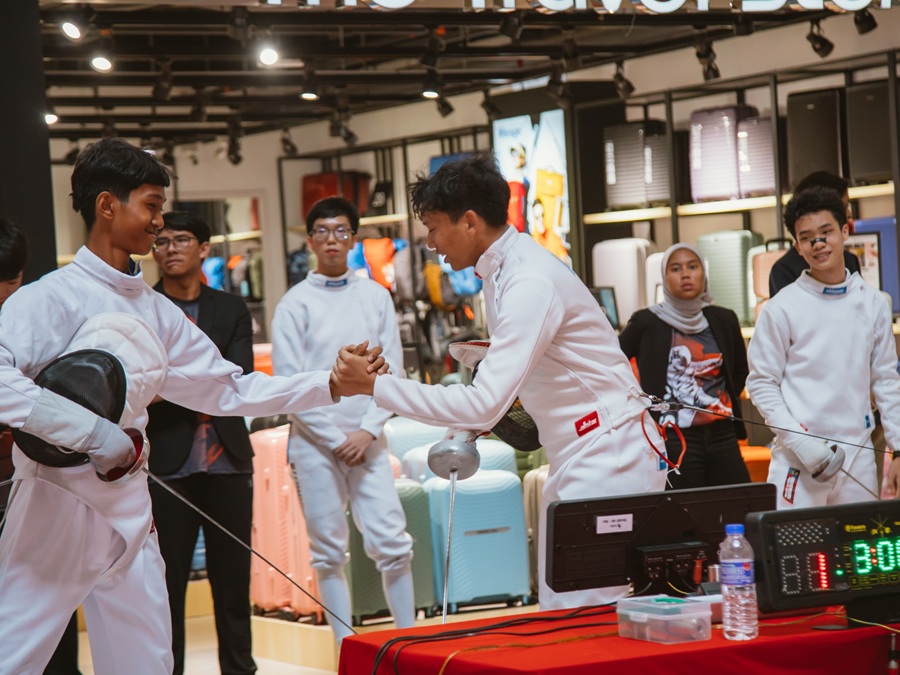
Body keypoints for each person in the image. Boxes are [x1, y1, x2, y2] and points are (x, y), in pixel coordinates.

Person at [0, 137, 384, 674]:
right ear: (108, 205)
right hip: (53, 499)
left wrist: (330, 384)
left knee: (148, 662)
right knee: (11, 654)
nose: (159, 223)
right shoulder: (48, 298)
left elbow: (229, 390)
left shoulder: (156, 312)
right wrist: (95, 434)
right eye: (151, 206)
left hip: (129, 504)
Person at [331, 152, 667, 610]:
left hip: (609, 453)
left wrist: (376, 388)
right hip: (586, 451)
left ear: (469, 222)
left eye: (433, 228)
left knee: (583, 612)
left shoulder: (528, 279)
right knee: (564, 603)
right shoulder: (500, 270)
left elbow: (484, 403)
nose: (430, 243)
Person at [271, 196, 415, 645]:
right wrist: (336, 439)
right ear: (310, 239)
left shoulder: (375, 296)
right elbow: (290, 383)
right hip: (316, 446)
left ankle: (407, 643)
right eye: (322, 232)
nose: (332, 240)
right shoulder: (294, 304)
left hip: (368, 440)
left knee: (393, 545)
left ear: (353, 237)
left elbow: (394, 369)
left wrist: (367, 431)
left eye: (341, 231)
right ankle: (344, 650)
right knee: (329, 552)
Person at [146, 211, 257, 675]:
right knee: (166, 588)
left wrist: (177, 381)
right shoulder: (143, 308)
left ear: (204, 248)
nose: (170, 248)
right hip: (167, 468)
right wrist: (200, 382)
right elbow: (144, 387)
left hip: (227, 462)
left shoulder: (230, 309)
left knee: (233, 587)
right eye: (162, 241)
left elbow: (237, 380)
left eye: (182, 239)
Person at [747, 186, 900, 509]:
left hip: (857, 453)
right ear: (797, 246)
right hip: (797, 459)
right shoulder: (781, 308)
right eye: (807, 237)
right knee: (794, 556)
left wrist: (898, 449)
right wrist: (800, 442)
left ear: (845, 231)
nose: (818, 243)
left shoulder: (873, 303)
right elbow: (761, 383)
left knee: (858, 550)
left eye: (826, 232)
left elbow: (887, 381)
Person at [619, 243, 751, 490]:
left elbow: (739, 371)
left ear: (704, 273)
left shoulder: (724, 318)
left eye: (693, 266)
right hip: (674, 437)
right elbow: (612, 361)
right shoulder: (646, 321)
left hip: (723, 434)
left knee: (738, 506)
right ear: (664, 277)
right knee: (686, 516)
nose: (686, 274)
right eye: (676, 268)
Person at [768, 171, 861, 298]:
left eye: (826, 232)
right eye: (845, 206)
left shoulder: (850, 261)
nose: (849, 214)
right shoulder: (784, 269)